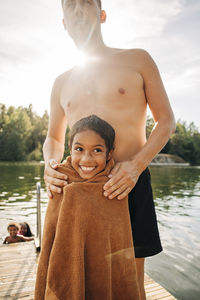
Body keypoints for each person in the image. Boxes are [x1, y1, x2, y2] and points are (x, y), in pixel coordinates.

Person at [43, 1, 176, 299]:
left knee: (129, 284)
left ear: (102, 15)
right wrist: (50, 164)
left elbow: (166, 121)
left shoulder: (138, 60)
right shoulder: (60, 82)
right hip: (78, 190)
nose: (77, 10)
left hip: (128, 183)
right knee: (76, 283)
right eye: (69, 6)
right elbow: (53, 137)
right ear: (63, 23)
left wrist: (136, 166)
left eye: (86, 2)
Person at [35, 115, 141, 300]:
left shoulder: (114, 184)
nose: (86, 158)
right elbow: (52, 234)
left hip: (102, 269)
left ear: (109, 153)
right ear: (70, 149)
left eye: (97, 150)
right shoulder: (60, 179)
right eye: (79, 149)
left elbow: (118, 240)